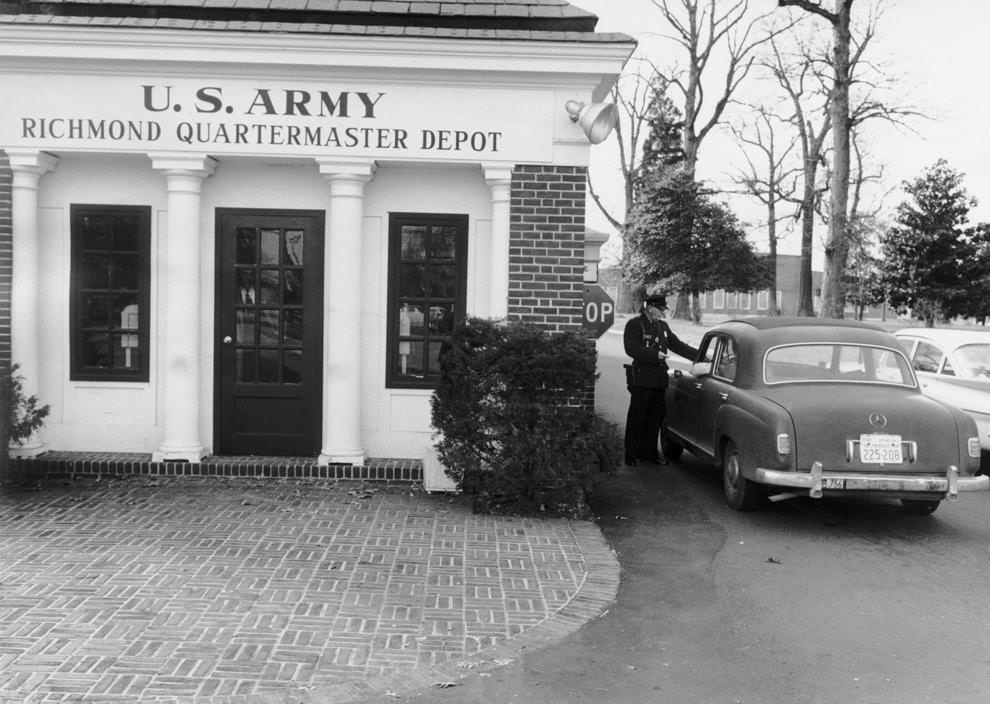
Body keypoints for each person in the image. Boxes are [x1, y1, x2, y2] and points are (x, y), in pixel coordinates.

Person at [623, 293, 698, 466]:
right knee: (638, 417)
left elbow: (678, 346)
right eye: (660, 310)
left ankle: (649, 453)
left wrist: (700, 357)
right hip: (642, 378)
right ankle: (632, 453)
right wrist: (654, 354)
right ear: (650, 308)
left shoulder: (662, 326)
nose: (662, 314)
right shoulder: (634, 325)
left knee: (655, 418)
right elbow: (632, 349)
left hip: (658, 380)